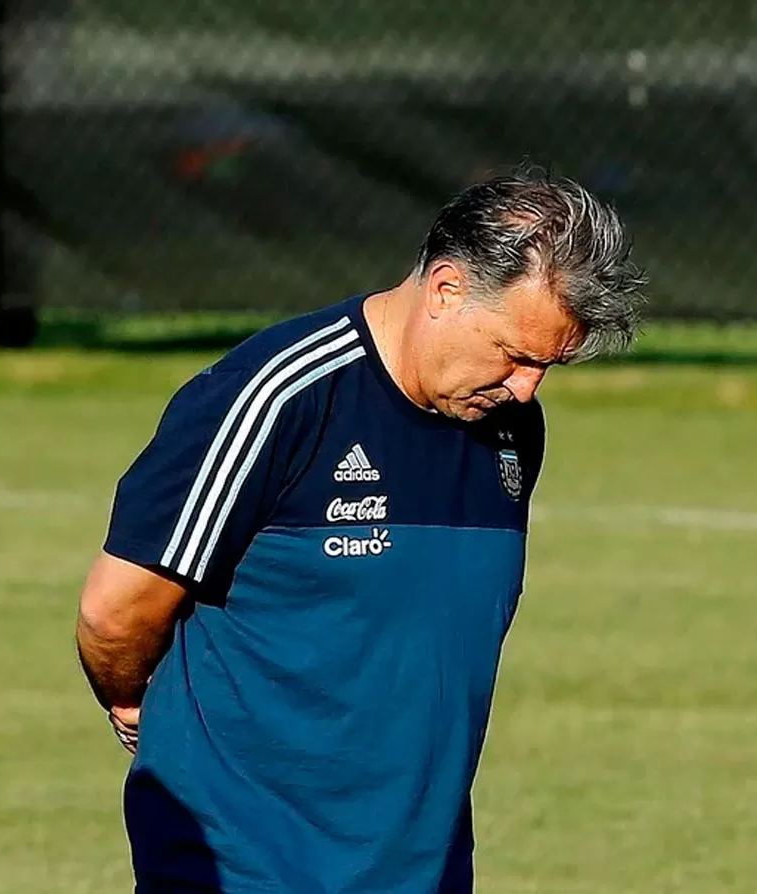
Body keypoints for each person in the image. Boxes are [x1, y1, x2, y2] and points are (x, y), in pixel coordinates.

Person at [76, 168, 647, 893]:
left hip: (423, 869)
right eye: (517, 353)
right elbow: (116, 609)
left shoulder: (510, 429)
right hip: (244, 867)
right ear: (445, 289)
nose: (529, 387)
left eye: (550, 365)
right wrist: (131, 700)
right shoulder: (274, 398)